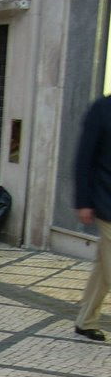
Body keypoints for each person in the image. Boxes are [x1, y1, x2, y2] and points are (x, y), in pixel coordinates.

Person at [73, 94, 111, 342]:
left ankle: (86, 321)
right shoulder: (102, 109)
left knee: (103, 266)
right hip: (107, 201)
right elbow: (84, 158)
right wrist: (83, 201)